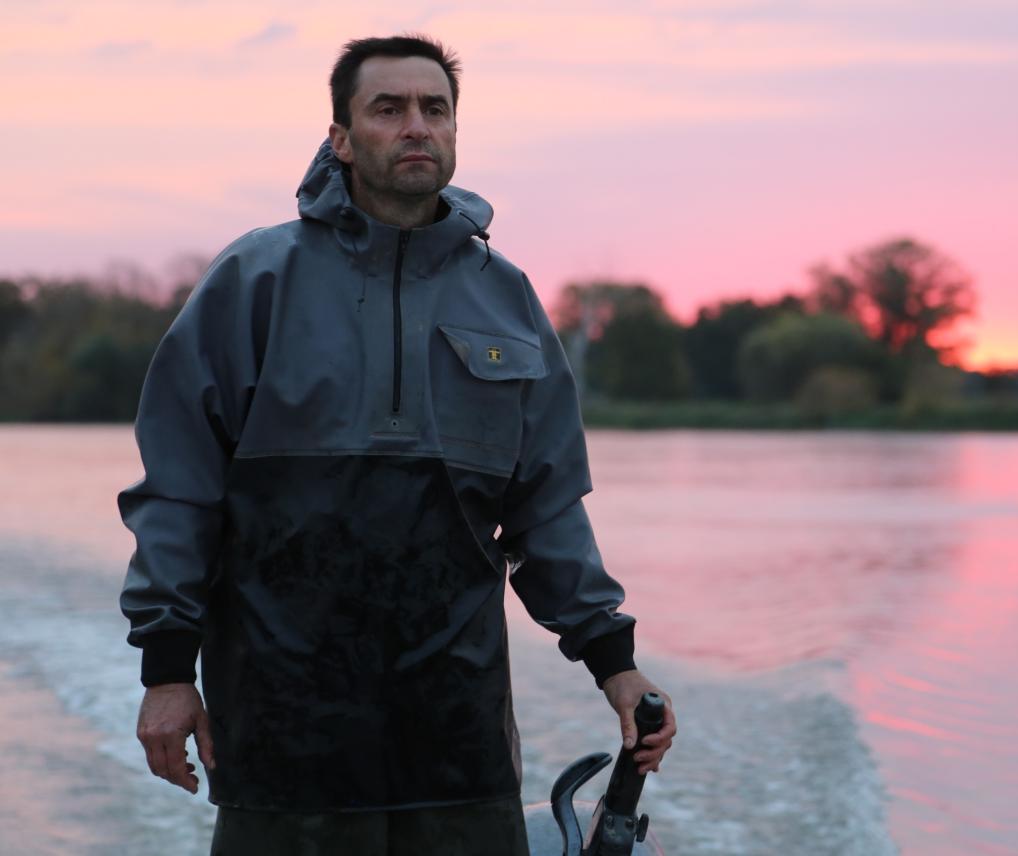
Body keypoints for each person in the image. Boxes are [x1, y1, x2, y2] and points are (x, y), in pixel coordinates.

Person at [118, 33, 676, 855]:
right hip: (283, 725)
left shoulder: (507, 300)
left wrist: (614, 661)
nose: (417, 125)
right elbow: (179, 491)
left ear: (454, 132)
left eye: (435, 109)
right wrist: (168, 670)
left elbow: (547, 511)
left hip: (458, 735)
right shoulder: (253, 281)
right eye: (389, 109)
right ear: (341, 138)